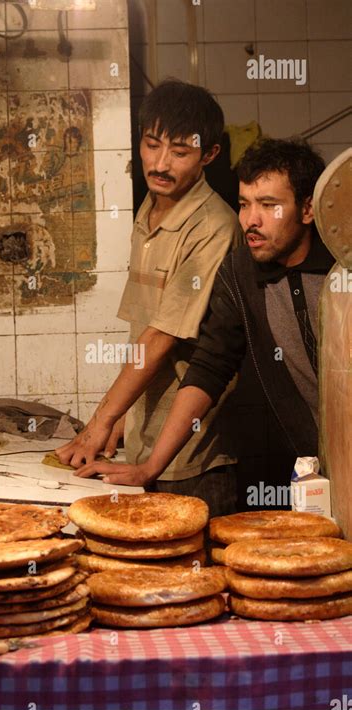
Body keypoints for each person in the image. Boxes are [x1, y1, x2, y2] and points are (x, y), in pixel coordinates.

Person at [74, 138, 334, 491]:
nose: (250, 221)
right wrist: (150, 468)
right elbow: (211, 367)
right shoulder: (239, 271)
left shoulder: (340, 268)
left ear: (308, 209)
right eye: (244, 204)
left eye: (269, 205)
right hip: (304, 467)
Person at [56, 79, 243, 515]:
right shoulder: (151, 208)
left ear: (208, 155)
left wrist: (99, 422)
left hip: (193, 458)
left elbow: (161, 338)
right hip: (144, 446)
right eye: (151, 144)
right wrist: (120, 421)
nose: (160, 163)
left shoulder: (214, 226)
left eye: (179, 152)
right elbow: (142, 328)